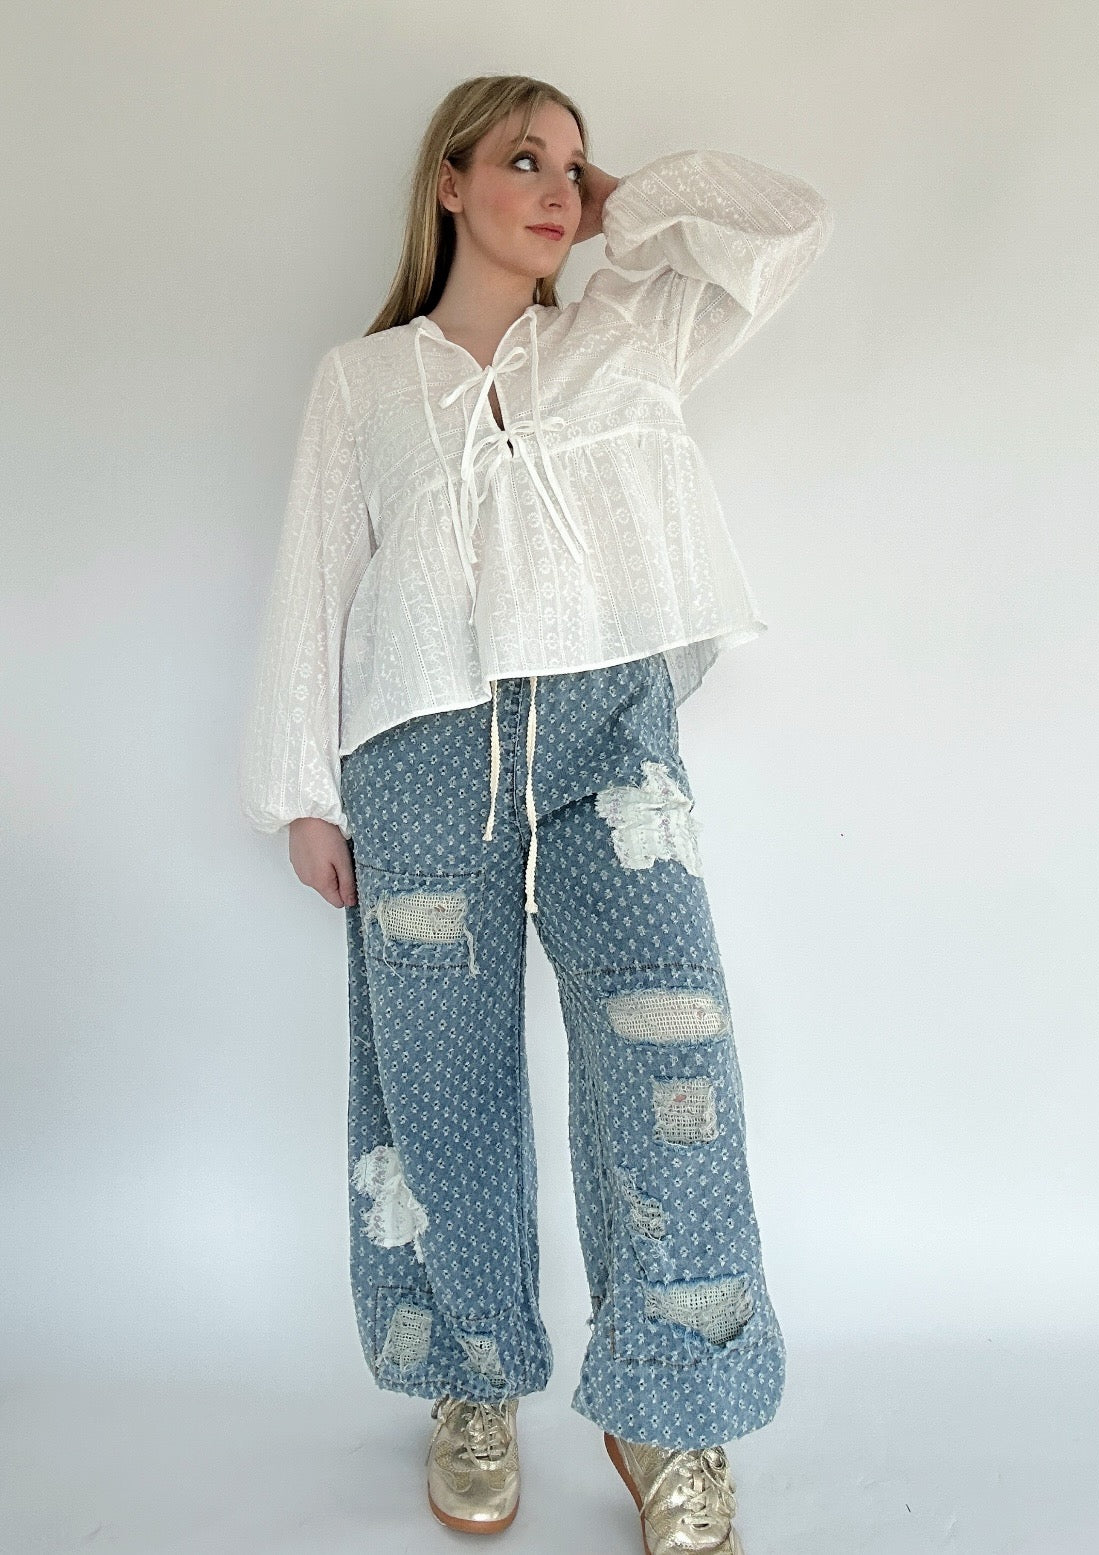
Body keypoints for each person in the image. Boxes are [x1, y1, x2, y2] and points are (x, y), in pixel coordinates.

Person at [238, 72, 832, 1554]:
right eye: (523, 159)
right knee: (435, 1074)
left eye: (575, 163)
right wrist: (302, 792)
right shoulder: (364, 382)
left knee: (673, 1050)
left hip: (606, 734)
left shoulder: (628, 333)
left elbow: (787, 229)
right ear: (447, 183)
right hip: (419, 745)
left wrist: (633, 203)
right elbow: (317, 576)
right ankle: (471, 1375)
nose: (559, 187)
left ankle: (668, 1407)